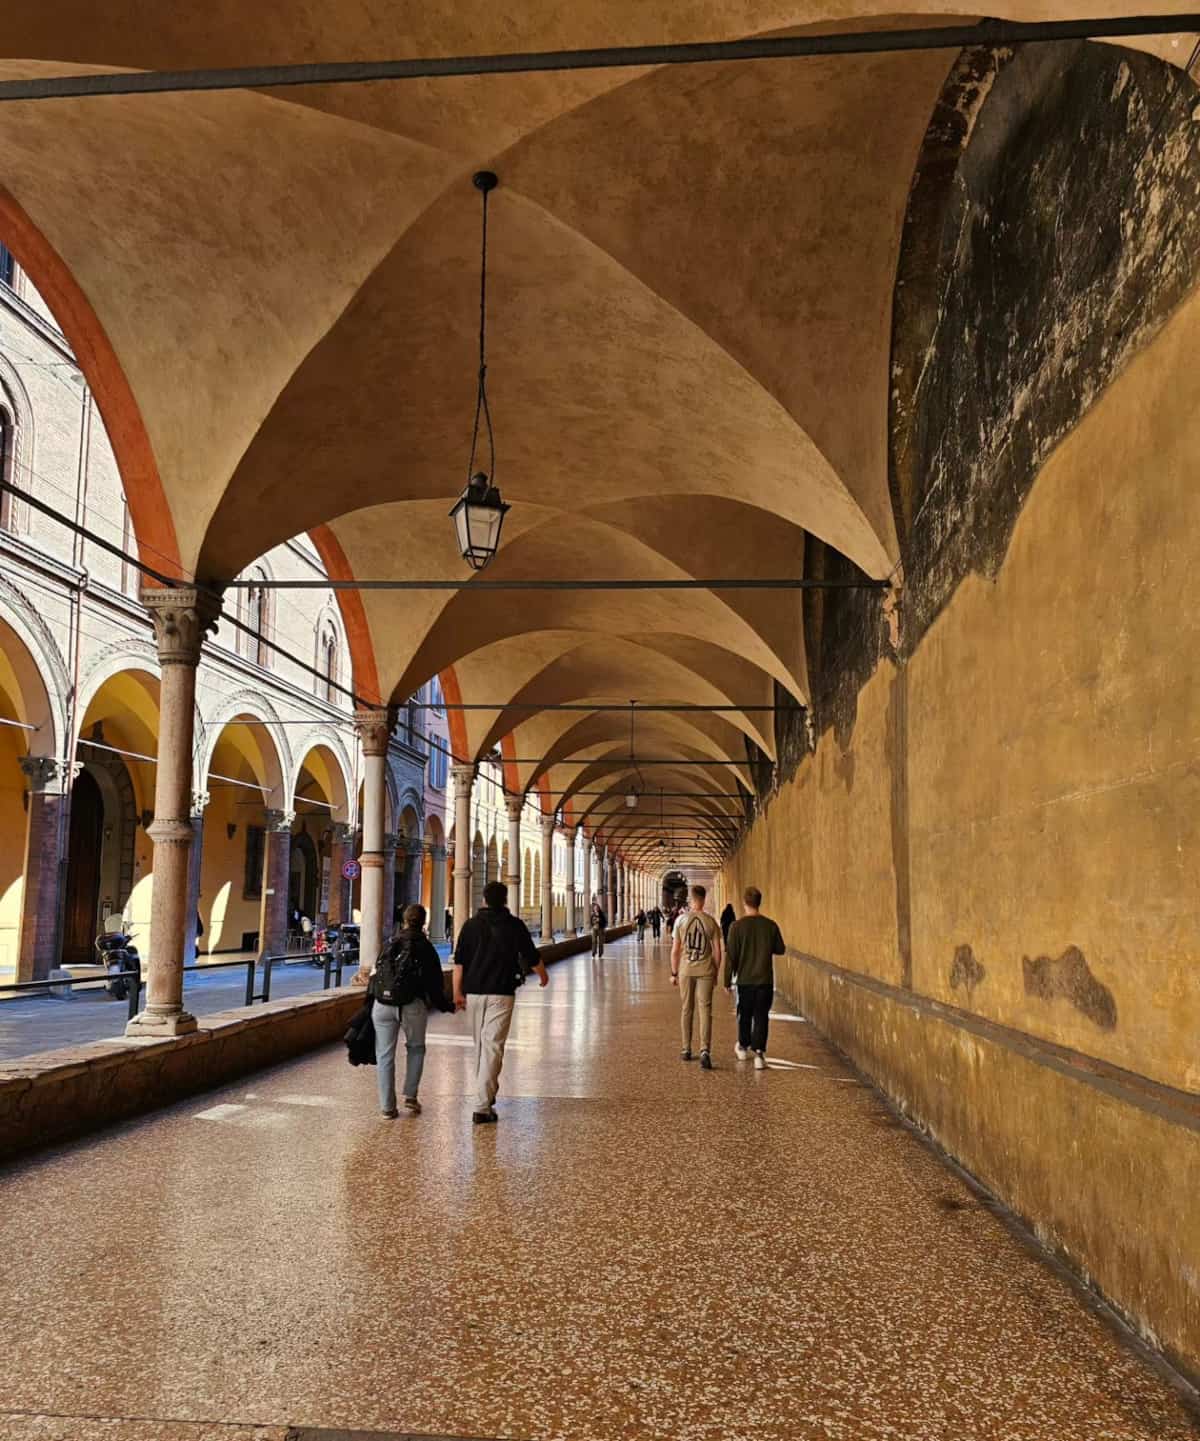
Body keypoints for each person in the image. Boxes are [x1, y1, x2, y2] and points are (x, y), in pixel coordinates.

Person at [452, 880, 549, 1125]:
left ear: (484, 900)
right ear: (505, 900)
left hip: (474, 993)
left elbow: (459, 963)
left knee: (481, 1046)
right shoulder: (514, 925)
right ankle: (482, 1105)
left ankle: (485, 1096)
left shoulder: (470, 925)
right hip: (502, 993)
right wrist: (543, 975)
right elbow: (531, 955)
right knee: (492, 1046)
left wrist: (457, 993)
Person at [371, 904, 453, 1117]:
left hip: (382, 1005)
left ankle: (387, 1108)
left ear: (404, 921)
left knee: (385, 1055)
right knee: (416, 1049)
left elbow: (376, 975)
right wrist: (447, 1006)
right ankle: (410, 1096)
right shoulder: (426, 948)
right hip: (412, 1005)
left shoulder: (390, 943)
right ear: (424, 922)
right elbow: (435, 985)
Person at [723, 886, 786, 1071]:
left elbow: (731, 957)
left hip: (745, 981)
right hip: (765, 981)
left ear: (745, 903)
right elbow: (780, 949)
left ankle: (743, 1047)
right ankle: (759, 1054)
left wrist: (726, 981)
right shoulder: (770, 925)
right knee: (761, 1016)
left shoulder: (736, 927)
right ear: (760, 902)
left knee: (744, 1014)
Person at [671, 884, 723, 1070]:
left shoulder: (680, 920)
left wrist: (674, 973)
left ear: (691, 899)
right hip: (706, 970)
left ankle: (686, 1049)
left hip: (686, 970)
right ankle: (704, 1050)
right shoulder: (711, 922)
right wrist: (715, 972)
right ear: (704, 899)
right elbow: (718, 951)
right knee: (705, 1009)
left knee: (687, 1009)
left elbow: (675, 950)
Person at [589, 895, 607, 959]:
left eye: (597, 908)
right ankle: (593, 953)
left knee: (600, 942)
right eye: (595, 908)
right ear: (594, 909)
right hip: (594, 929)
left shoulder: (601, 914)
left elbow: (605, 922)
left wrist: (600, 920)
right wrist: (592, 926)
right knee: (594, 941)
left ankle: (600, 954)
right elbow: (590, 921)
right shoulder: (592, 914)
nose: (596, 909)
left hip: (600, 929)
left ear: (598, 908)